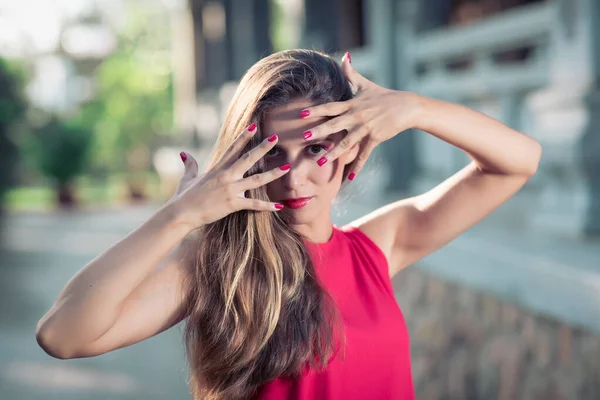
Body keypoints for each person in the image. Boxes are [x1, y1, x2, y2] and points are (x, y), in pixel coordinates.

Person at [35, 49, 542, 400]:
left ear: (349, 147)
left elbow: (518, 161)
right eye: (273, 154)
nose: (295, 175)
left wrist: (414, 108)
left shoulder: (378, 246)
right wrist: (179, 215)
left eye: (317, 149)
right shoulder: (221, 266)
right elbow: (63, 334)